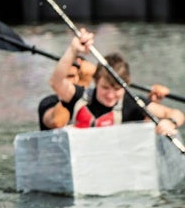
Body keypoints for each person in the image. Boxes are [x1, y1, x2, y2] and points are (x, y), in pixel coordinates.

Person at [49, 28, 183, 134]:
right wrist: (73, 50)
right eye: (105, 88)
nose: (110, 95)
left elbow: (177, 114)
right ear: (96, 81)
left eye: (117, 89)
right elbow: (56, 82)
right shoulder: (81, 96)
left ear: (126, 86)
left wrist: (170, 122)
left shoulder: (131, 103)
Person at [38, 57, 97, 130]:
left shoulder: (97, 100)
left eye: (81, 76)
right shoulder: (49, 102)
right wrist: (82, 83)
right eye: (70, 76)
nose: (76, 80)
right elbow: (57, 122)